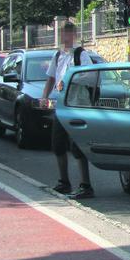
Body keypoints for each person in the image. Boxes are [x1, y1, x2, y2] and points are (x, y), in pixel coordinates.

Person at [41, 22, 95, 199]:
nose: (65, 37)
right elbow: (50, 78)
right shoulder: (58, 55)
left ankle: (85, 185)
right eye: (63, 33)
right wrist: (44, 96)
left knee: (77, 145)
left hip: (77, 105)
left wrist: (70, 80)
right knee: (58, 143)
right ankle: (64, 182)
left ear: (74, 35)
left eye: (69, 33)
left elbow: (90, 76)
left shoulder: (81, 54)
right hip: (61, 104)